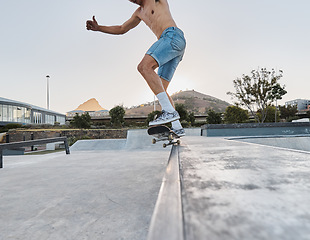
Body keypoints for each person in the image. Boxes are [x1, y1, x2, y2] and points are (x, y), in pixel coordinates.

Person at [86, 0, 186, 136]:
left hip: (171, 36)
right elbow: (122, 29)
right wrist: (99, 28)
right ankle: (177, 127)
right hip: (172, 45)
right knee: (161, 87)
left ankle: (169, 112)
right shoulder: (139, 13)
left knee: (144, 67)